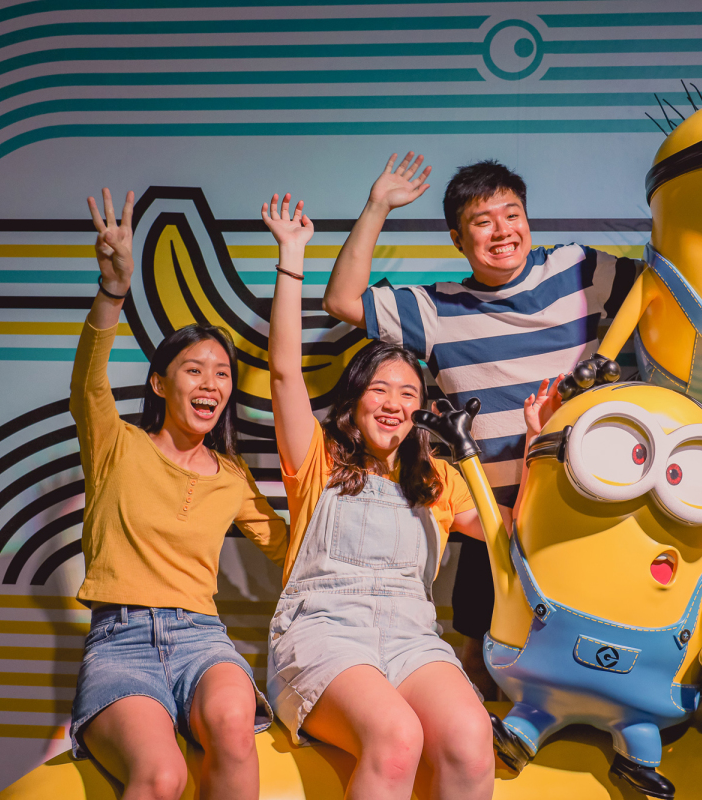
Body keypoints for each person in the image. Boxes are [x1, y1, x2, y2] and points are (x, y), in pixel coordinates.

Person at [322, 154, 640, 695]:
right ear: (458, 238)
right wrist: (377, 206)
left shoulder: (579, 269)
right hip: (491, 524)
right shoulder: (437, 309)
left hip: (589, 511)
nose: (502, 231)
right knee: (482, 657)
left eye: (511, 215)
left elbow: (665, 294)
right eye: (482, 221)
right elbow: (341, 300)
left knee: (600, 650)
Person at [261, 192, 497, 800]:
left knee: (473, 739)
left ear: (423, 410)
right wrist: (292, 257)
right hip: (325, 633)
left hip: (413, 640)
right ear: (355, 398)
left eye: (408, 393)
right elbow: (284, 372)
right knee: (395, 737)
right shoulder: (317, 459)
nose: (394, 403)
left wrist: (533, 441)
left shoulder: (438, 479)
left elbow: (506, 536)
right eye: (379, 389)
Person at [69, 188, 286, 800]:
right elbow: (87, 382)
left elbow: (289, 546)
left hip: (202, 640)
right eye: (194, 369)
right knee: (162, 776)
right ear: (161, 384)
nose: (211, 383)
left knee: (234, 730)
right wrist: (113, 290)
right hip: (120, 642)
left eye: (222, 374)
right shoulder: (117, 443)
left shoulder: (232, 476)